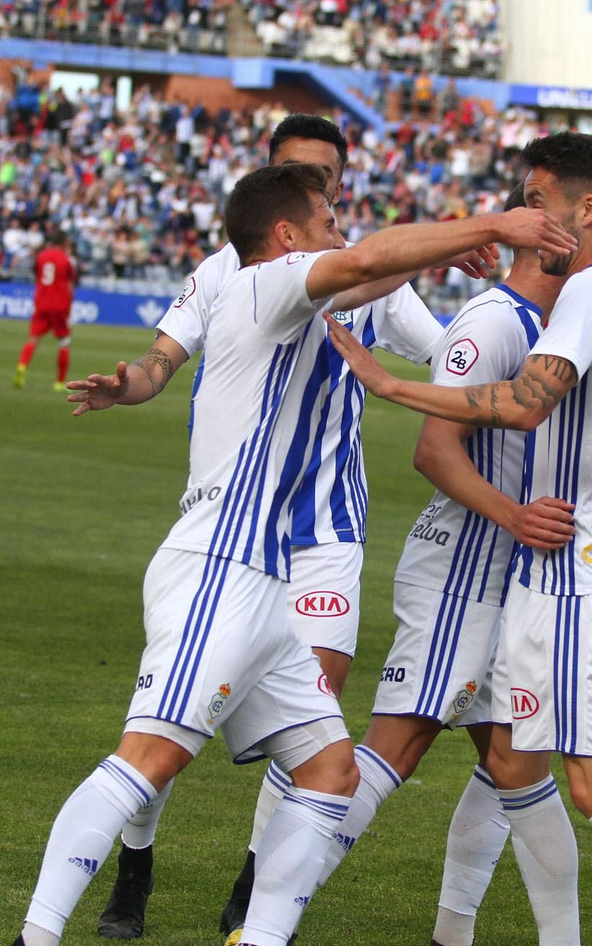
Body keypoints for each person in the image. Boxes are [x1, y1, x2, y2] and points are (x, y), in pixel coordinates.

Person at [11, 162, 574, 946]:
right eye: (326, 217)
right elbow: (367, 261)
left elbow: (375, 272)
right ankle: (35, 935)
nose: (340, 228)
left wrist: (444, 252)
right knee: (150, 754)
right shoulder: (263, 284)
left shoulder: (294, 293)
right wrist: (491, 226)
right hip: (220, 560)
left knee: (329, 771)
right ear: (284, 238)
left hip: (267, 579)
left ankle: (262, 937)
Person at [327, 132, 592, 945]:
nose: (524, 214)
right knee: (511, 765)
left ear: (586, 209)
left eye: (537, 199)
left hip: (571, 561)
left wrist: (391, 381)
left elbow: (521, 404)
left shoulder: (586, 293)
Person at [78, 114, 469, 943]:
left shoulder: (375, 271)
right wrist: (131, 384)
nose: (319, 185)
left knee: (314, 711)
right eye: (301, 172)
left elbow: (446, 355)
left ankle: (255, 890)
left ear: (343, 179)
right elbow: (160, 361)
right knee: (175, 709)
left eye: (328, 172)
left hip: (327, 527)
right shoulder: (230, 269)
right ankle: (134, 860)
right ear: (275, 182)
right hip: (227, 526)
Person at [295, 185, 578, 946]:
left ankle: (451, 934)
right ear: (550, 243)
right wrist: (515, 515)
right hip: (462, 567)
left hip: (506, 574)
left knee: (510, 759)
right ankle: (266, 918)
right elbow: (432, 449)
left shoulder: (547, 326)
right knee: (398, 746)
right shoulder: (491, 321)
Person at [15, 228, 77, 392]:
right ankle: (59, 382)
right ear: (64, 243)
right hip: (60, 305)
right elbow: (70, 283)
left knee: (33, 339)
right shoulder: (67, 260)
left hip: (41, 302)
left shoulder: (42, 256)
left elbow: (37, 274)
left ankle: (22, 366)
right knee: (64, 342)